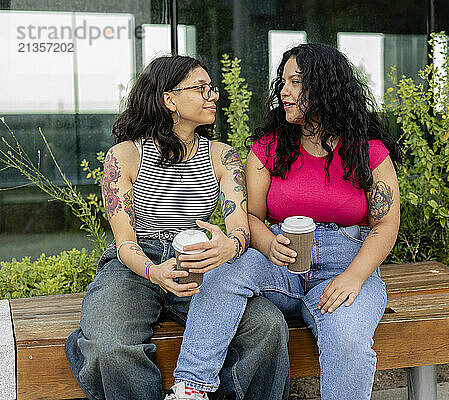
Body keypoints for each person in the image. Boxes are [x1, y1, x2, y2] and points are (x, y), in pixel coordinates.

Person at [171, 43, 401, 400]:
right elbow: (251, 216)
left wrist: (354, 276)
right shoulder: (269, 146)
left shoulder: (367, 149)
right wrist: (266, 243)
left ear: (325, 86)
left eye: (295, 82)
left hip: (347, 263)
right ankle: (190, 388)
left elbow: (385, 225)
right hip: (279, 258)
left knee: (349, 340)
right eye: (282, 82)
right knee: (224, 271)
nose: (283, 90)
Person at [64, 55, 290, 400]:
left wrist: (231, 246)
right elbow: (124, 242)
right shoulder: (123, 156)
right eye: (201, 88)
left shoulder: (222, 155)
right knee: (109, 346)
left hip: (201, 261)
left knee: (268, 327)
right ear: (169, 99)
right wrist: (155, 272)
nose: (213, 95)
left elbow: (239, 228)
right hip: (138, 264)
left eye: (211, 87)